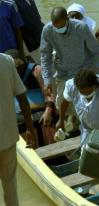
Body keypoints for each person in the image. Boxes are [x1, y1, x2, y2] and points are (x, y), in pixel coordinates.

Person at [40, 7, 99, 130]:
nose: (58, 30)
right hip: (63, 72)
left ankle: (85, 127)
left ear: (67, 19)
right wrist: (47, 79)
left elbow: (97, 52)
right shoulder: (47, 31)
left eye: (61, 27)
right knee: (61, 104)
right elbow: (45, 56)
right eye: (56, 27)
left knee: (87, 106)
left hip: (83, 71)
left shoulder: (81, 28)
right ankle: (69, 123)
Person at [0, 53, 37, 206]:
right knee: (10, 184)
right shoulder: (6, 61)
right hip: (7, 136)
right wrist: (30, 127)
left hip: (8, 136)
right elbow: (22, 96)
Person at [6, 49, 56, 145]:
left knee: (46, 122)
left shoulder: (36, 70)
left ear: (23, 60)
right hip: (21, 114)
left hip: (42, 110)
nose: (17, 68)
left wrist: (48, 111)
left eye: (19, 64)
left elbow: (49, 94)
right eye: (13, 67)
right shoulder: (7, 75)